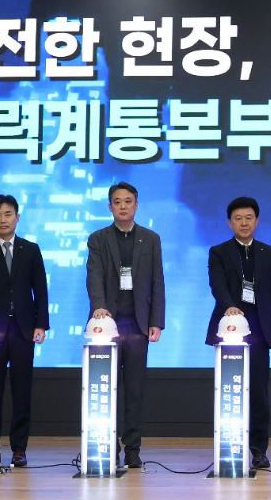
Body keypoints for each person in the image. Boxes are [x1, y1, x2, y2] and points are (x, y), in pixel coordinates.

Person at [86, 182, 165, 469]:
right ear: (110, 207)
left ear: (136, 205)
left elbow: (157, 281)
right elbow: (94, 275)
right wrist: (99, 307)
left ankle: (132, 449)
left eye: (128, 201)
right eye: (117, 202)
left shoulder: (151, 238)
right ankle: (106, 446)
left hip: (138, 324)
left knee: (134, 391)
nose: (123, 206)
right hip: (107, 324)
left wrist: (156, 321)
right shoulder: (98, 238)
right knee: (105, 389)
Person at [0, 194, 49, 469]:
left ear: (17, 217)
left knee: (22, 391)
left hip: (24, 329)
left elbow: (40, 289)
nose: (2, 219)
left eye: (8, 214)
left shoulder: (31, 249)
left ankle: (19, 449)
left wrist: (41, 324)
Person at [205, 196, 271, 469]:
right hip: (229, 327)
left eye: (248, 218)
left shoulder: (269, 253)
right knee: (230, 390)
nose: (243, 223)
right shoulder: (219, 252)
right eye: (238, 218)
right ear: (230, 223)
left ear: (257, 221)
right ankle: (230, 445)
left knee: (259, 392)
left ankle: (258, 449)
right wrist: (229, 306)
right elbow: (217, 285)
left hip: (260, 328)